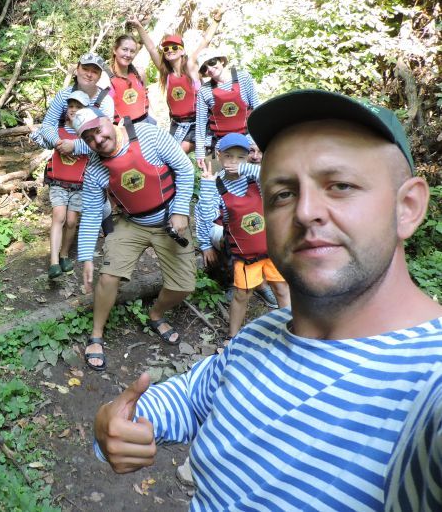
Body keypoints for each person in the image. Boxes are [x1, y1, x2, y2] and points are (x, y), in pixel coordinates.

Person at [94, 89, 442, 510]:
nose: (305, 211)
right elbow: (191, 396)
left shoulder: (429, 380)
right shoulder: (263, 334)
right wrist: (114, 422)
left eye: (341, 185)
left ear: (407, 208)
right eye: (282, 194)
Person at [73, 107, 196, 371]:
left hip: (170, 218)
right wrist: (85, 257)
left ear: (109, 120)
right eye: (88, 138)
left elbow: (185, 169)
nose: (97, 140)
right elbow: (93, 213)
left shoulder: (149, 135)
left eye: (98, 130)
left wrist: (181, 210)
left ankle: (156, 314)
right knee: (108, 276)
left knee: (184, 285)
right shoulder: (95, 169)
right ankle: (96, 334)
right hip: (132, 223)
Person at [195, 132, 290, 338]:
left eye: (240, 156)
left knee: (282, 289)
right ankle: (232, 336)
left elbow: (271, 175)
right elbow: (207, 216)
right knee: (242, 295)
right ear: (218, 156)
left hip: (271, 249)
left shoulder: (256, 180)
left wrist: (244, 168)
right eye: (228, 156)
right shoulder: (216, 184)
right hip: (245, 255)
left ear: (248, 158)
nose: (234, 162)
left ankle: (291, 330)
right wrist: (208, 185)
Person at [128, 13, 222, 153]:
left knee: (176, 153)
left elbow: (205, 41)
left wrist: (216, 20)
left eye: (174, 47)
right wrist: (139, 26)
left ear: (182, 50)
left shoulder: (192, 67)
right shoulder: (166, 73)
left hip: (198, 122)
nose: (169, 50)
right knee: (166, 156)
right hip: (177, 123)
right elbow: (152, 48)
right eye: (166, 49)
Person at [36, 91, 90, 279]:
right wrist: (36, 135)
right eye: (71, 106)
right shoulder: (56, 129)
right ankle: (54, 262)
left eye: (78, 107)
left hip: (80, 185)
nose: (73, 110)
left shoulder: (88, 133)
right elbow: (43, 138)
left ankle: (64, 254)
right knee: (58, 216)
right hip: (58, 182)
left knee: (72, 221)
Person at [37, 52, 115, 159]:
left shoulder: (105, 101)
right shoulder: (63, 95)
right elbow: (47, 125)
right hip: (61, 155)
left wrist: (74, 146)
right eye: (85, 69)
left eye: (94, 72)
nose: (89, 74)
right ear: (77, 69)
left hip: (94, 160)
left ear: (99, 76)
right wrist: (59, 144)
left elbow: (109, 136)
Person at [193, 48, 259, 168]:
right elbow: (200, 123)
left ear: (221, 61)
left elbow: (257, 108)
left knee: (252, 178)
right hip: (218, 141)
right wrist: (199, 152)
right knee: (214, 179)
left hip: (247, 137)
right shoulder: (204, 90)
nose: (210, 69)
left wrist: (261, 138)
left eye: (212, 62)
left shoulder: (243, 77)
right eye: (204, 68)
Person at [108, 34, 153, 124]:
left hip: (147, 125)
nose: (128, 54)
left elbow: (146, 100)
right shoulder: (105, 78)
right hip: (124, 130)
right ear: (115, 50)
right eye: (124, 49)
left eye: (132, 51)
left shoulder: (139, 73)